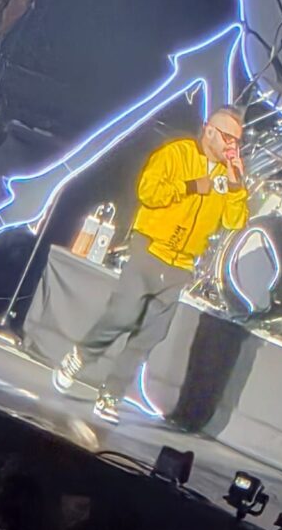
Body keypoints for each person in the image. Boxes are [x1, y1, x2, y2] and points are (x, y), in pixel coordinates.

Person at [52, 107, 249, 425]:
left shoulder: (228, 177)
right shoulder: (176, 154)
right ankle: (82, 355)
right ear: (209, 130)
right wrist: (189, 186)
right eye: (228, 137)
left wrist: (236, 187)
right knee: (124, 315)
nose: (232, 146)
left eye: (237, 141)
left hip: (181, 263)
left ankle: (112, 393)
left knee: (151, 333)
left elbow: (235, 222)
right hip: (151, 248)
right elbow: (148, 192)